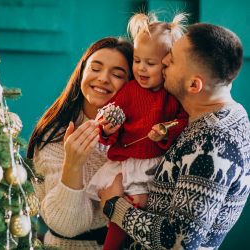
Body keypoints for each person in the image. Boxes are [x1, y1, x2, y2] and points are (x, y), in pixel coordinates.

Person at [99, 23, 250, 249]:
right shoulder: (233, 113)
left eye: (173, 59)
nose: (165, 61)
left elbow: (180, 242)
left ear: (194, 84)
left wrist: (113, 205)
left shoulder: (211, 142)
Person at [86, 13, 188, 250]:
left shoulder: (171, 95)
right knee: (118, 211)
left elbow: (182, 121)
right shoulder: (130, 91)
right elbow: (111, 119)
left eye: (150, 64)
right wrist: (107, 128)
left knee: (137, 209)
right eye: (137, 60)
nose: (141, 68)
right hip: (128, 161)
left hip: (153, 164)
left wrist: (165, 133)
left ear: (168, 64)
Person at [26, 37, 133, 249]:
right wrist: (73, 164)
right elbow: (67, 226)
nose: (103, 78)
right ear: (82, 72)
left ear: (131, 84)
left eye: (117, 74)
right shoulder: (55, 134)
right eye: (95, 68)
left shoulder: (138, 134)